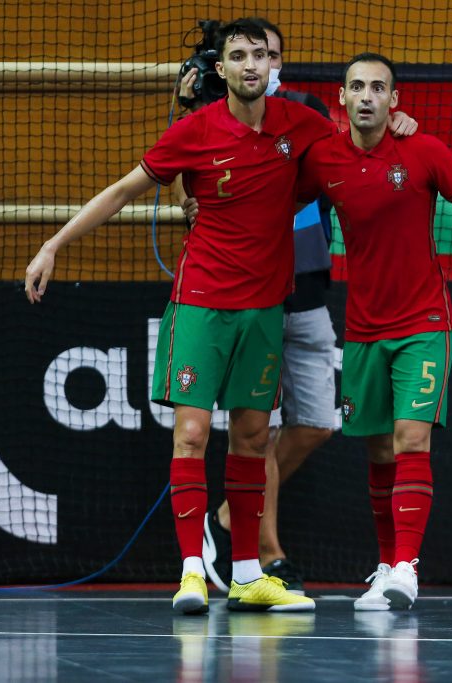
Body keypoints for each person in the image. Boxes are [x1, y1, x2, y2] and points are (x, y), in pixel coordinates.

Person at [25, 18, 337, 615]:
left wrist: (400, 125)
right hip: (201, 306)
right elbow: (120, 192)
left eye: (259, 56)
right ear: (221, 70)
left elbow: (355, 159)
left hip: (265, 310)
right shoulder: (196, 130)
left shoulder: (302, 125)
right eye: (238, 55)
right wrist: (53, 245)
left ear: (273, 68)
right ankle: (193, 571)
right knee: (192, 435)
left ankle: (247, 574)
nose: (250, 64)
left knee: (252, 439)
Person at [177, 20, 418, 597]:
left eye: (272, 54)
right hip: (240, 294)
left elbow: (363, 142)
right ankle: (264, 554)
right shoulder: (215, 114)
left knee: (314, 424)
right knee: (252, 430)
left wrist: (401, 127)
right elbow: (188, 183)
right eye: (251, 54)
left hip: (306, 292)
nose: (264, 63)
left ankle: (235, 515)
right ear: (232, 63)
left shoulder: (306, 113)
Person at [296, 53, 452, 611]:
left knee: (411, 438)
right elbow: (270, 203)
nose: (367, 95)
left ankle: (407, 568)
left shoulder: (424, 151)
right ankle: (386, 566)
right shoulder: (323, 159)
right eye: (356, 87)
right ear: (341, 99)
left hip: (424, 323)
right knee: (378, 452)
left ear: (394, 101)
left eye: (378, 88)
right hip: (364, 328)